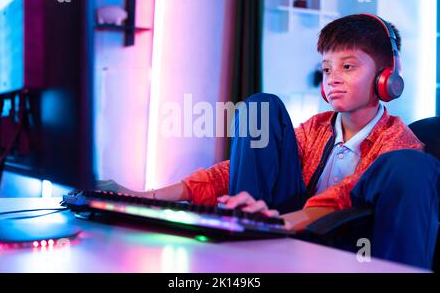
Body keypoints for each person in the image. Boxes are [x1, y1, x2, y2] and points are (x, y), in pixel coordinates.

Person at [100, 14, 440, 269]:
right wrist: (149, 197)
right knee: (261, 107)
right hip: (279, 233)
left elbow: (342, 196)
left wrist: (274, 222)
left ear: (387, 77)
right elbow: (234, 169)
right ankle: (242, 238)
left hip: (345, 249)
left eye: (348, 66)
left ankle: (252, 229)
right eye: (326, 69)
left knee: (410, 166)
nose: (333, 78)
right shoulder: (317, 128)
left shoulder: (399, 142)